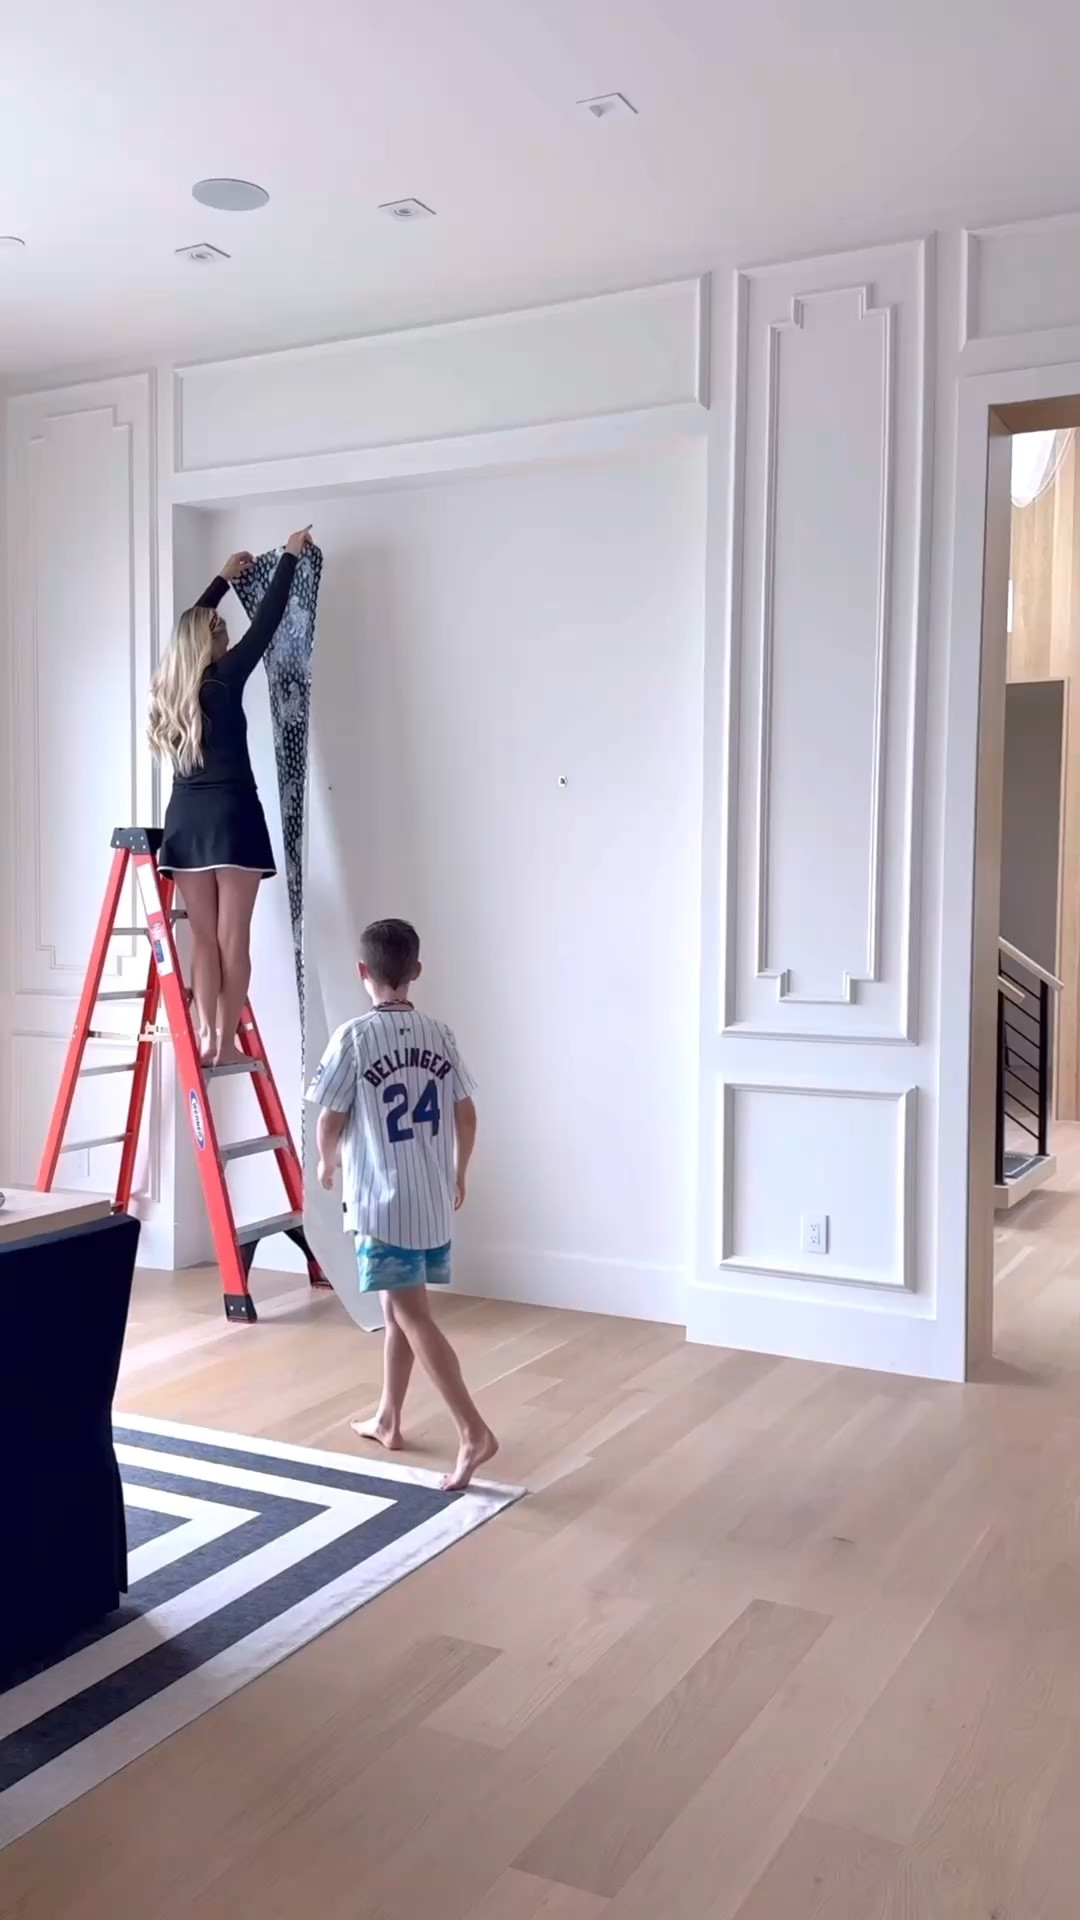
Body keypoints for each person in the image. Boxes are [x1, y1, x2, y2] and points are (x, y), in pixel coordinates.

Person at [306, 918, 497, 1491]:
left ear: (363, 973)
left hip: (382, 1202)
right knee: (397, 1310)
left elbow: (329, 1117)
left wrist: (326, 1161)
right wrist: (458, 1171)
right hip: (431, 1197)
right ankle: (389, 1418)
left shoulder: (354, 1037)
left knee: (411, 1314)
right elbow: (466, 1113)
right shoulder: (440, 1034)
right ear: (416, 971)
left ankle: (473, 1432)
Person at [147, 527, 312, 1065]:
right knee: (231, 938)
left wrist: (220, 580)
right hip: (235, 817)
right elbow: (267, 623)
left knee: (203, 941)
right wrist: (288, 558)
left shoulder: (170, 691)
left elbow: (184, 630)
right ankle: (224, 1038)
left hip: (186, 823)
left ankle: (204, 1035)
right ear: (214, 644)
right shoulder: (224, 676)